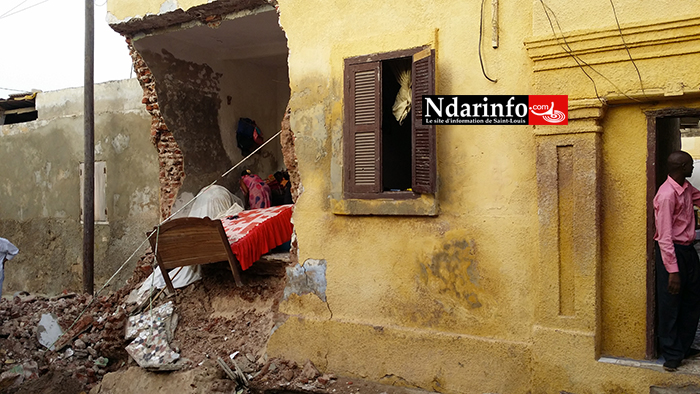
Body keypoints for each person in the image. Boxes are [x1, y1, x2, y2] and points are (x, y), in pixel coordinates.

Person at [654, 150, 700, 371]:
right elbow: (664, 237)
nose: (693, 168)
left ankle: (682, 346)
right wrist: (672, 271)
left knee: (692, 301)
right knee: (670, 304)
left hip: (688, 251)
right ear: (682, 167)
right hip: (672, 254)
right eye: (690, 165)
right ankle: (671, 353)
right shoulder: (666, 195)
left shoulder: (686, 189)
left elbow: (698, 197)